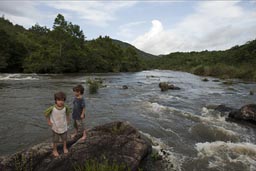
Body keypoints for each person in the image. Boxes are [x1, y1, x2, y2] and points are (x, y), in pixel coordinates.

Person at [44, 91, 70, 157]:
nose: (61, 102)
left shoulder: (65, 107)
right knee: (55, 140)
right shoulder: (52, 108)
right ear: (55, 100)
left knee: (64, 138)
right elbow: (46, 114)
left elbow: (68, 113)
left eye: (62, 100)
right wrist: (49, 121)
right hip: (55, 127)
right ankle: (54, 150)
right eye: (59, 100)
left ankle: (64, 147)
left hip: (63, 126)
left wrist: (67, 120)